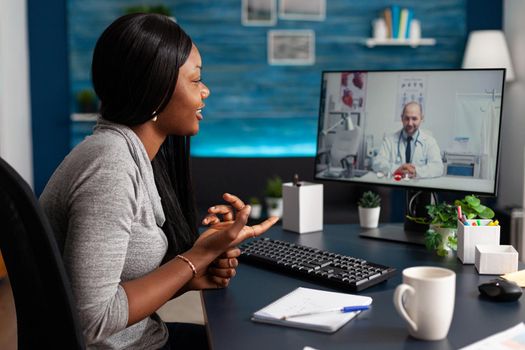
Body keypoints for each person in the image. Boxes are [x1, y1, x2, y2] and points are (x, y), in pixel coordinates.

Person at [39, 13, 278, 349]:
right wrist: (194, 258)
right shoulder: (110, 165)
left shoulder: (130, 156)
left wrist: (194, 273)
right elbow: (92, 320)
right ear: (156, 91)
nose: (205, 91)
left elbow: (120, 292)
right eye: (196, 81)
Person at [372, 101, 443, 179]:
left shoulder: (430, 141)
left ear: (421, 118)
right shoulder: (389, 140)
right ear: (402, 118)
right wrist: (397, 169)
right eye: (407, 118)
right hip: (395, 186)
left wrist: (416, 171)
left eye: (414, 119)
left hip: (419, 188)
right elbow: (377, 163)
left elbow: (438, 167)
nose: (410, 123)